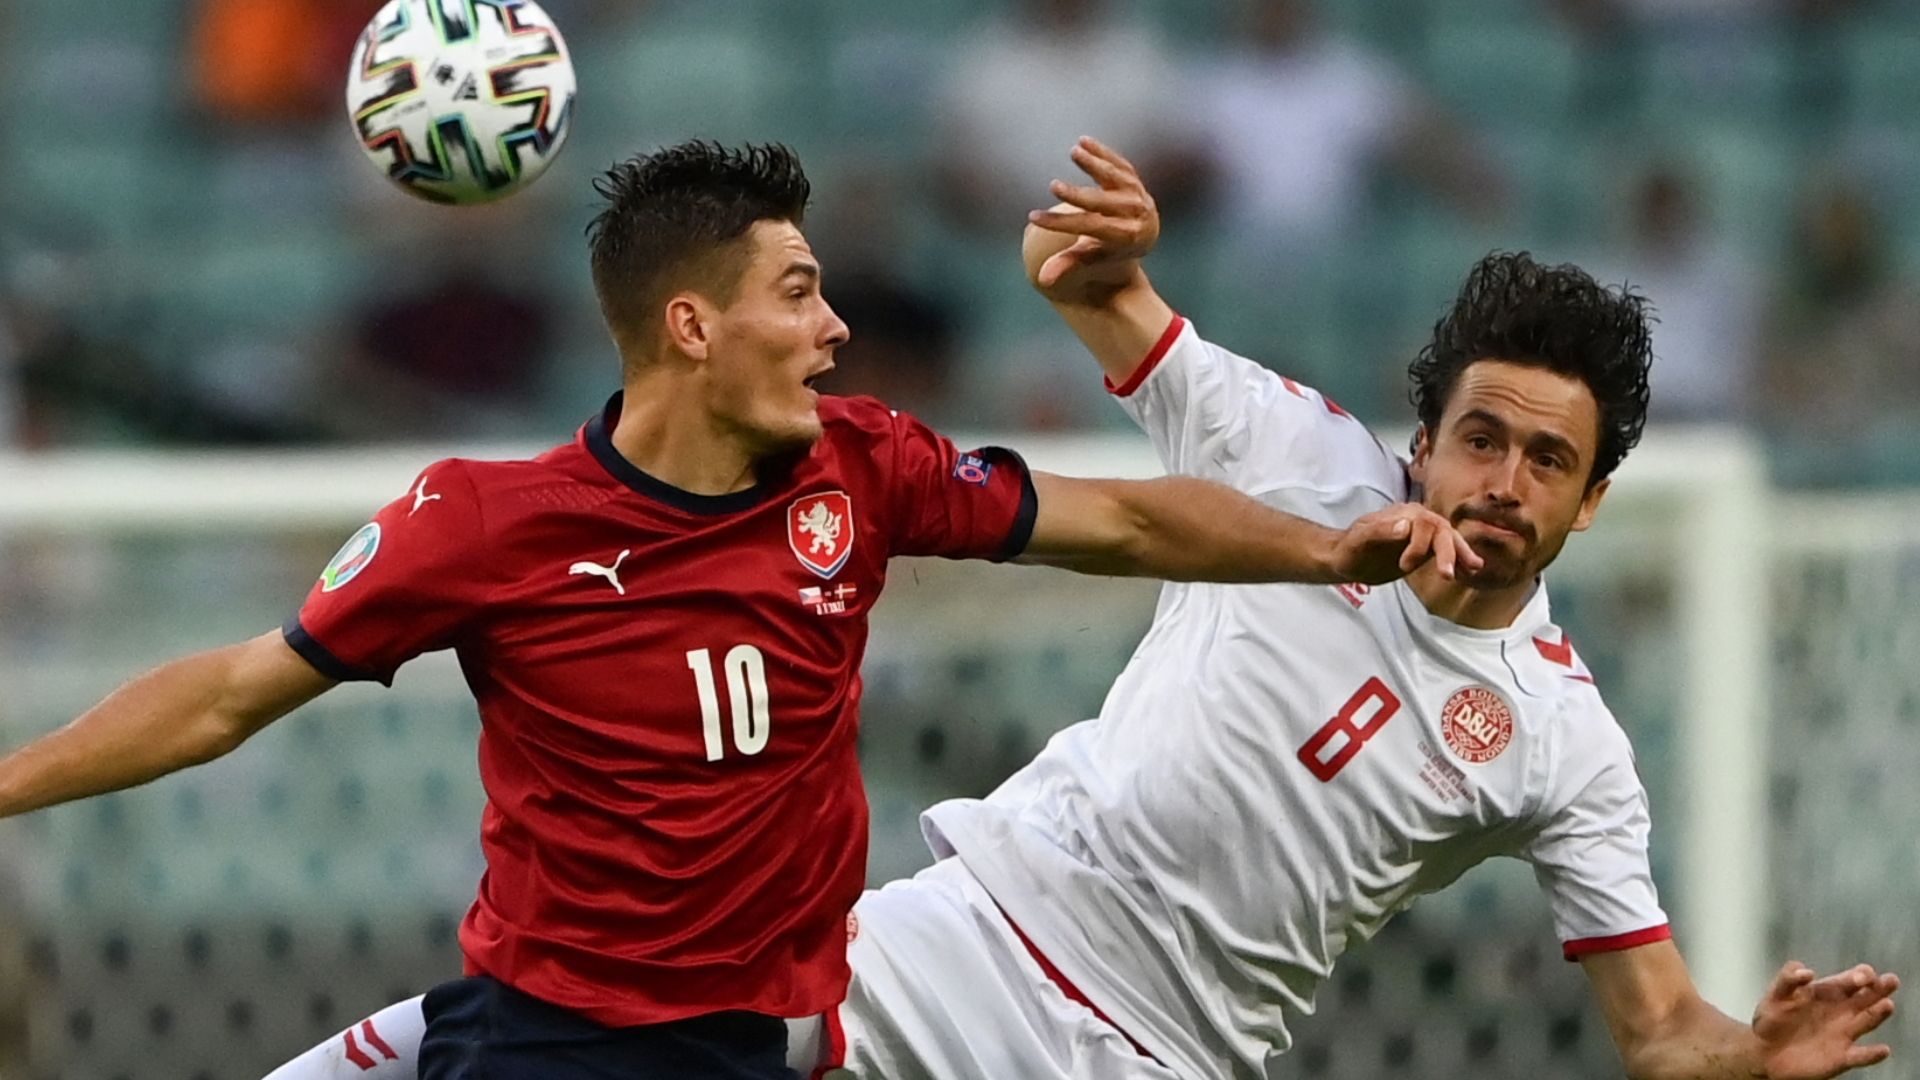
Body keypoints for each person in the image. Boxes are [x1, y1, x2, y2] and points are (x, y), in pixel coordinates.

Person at [263, 139, 1902, 1080]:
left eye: (1548, 461)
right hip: (961, 932)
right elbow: (1105, 298)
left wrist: (1746, 1057)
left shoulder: (1564, 743)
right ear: (1426, 434)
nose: (1503, 480)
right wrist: (1092, 256)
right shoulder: (1298, 455)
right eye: (1482, 436)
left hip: (1155, 1058)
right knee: (621, 1024)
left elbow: (1658, 1027)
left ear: (1593, 501)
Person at [0, 141, 1479, 1080]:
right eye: (800, 291)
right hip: (551, 1040)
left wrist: (1325, 549)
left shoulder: (863, 469)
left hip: (741, 1042)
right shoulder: (485, 524)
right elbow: (230, 692)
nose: (837, 326)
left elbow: (1134, 518)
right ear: (693, 325)